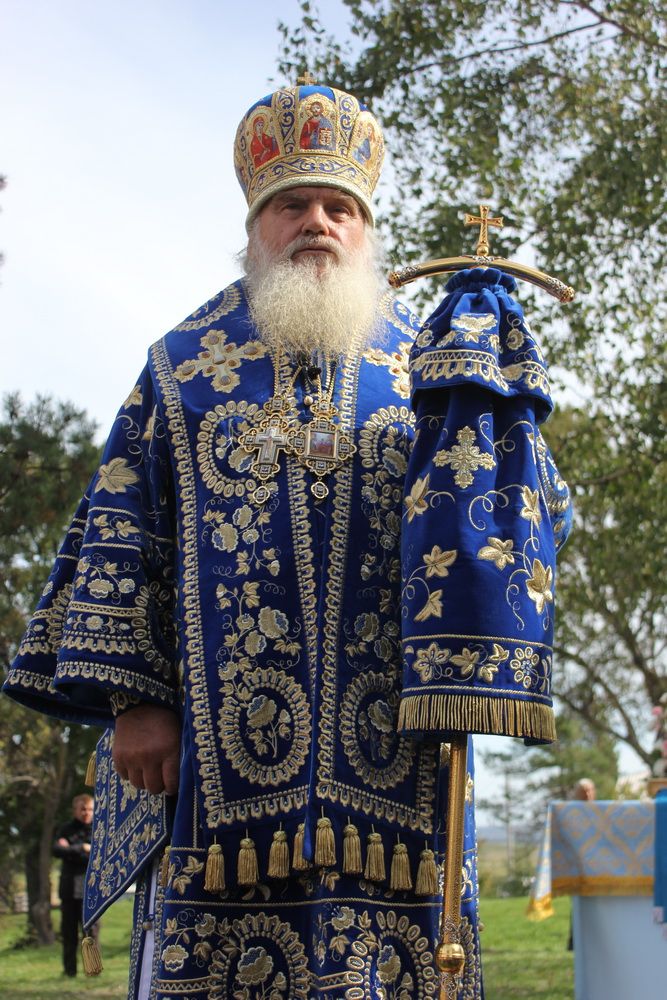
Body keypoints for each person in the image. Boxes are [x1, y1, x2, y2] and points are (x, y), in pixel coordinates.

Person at [3, 81, 571, 998]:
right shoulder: (182, 365)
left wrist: (497, 417)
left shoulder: (434, 367)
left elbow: (525, 514)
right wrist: (135, 702)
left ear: (365, 230)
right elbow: (117, 534)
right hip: (210, 777)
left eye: (339, 208)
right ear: (255, 226)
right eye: (292, 205)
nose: (317, 223)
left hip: (399, 760)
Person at [53, 794, 98, 977]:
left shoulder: (99, 829)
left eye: (90, 809)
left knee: (91, 932)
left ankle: (93, 969)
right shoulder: (66, 829)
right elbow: (57, 850)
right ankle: (69, 971)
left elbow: (97, 855)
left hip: (91, 889)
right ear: (75, 810)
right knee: (69, 933)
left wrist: (70, 849)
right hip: (69, 889)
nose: (86, 813)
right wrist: (82, 848)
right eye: (83, 809)